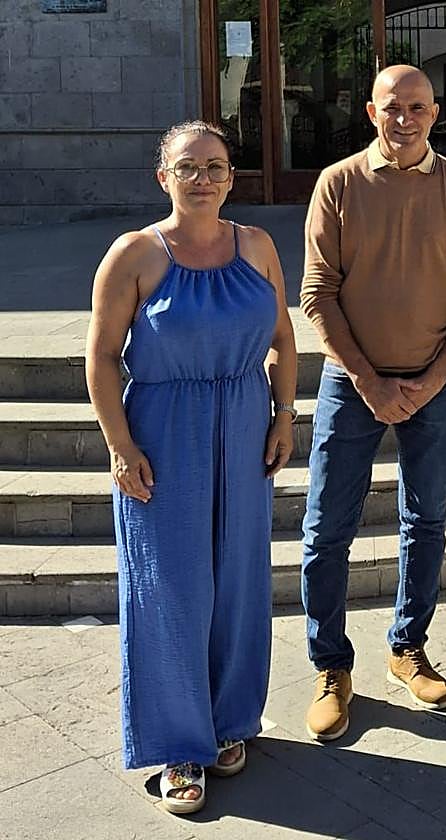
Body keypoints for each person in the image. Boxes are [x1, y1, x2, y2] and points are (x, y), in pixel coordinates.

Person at [86, 120, 297, 814]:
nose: (202, 178)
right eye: (188, 167)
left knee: (238, 580)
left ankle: (231, 718)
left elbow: (283, 337)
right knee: (171, 588)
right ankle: (180, 742)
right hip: (163, 431)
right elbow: (101, 358)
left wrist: (284, 413)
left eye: (215, 166)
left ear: (232, 177)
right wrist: (121, 447)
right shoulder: (134, 255)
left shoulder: (258, 245)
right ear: (163, 178)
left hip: (242, 423)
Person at [300, 65, 446, 736]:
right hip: (349, 385)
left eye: (416, 106)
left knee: (426, 522)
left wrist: (438, 374)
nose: (404, 117)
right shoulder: (339, 184)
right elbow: (317, 293)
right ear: (371, 111)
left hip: (432, 385)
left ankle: (407, 648)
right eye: (392, 107)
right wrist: (366, 380)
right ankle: (331, 665)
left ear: (435, 113)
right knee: (326, 532)